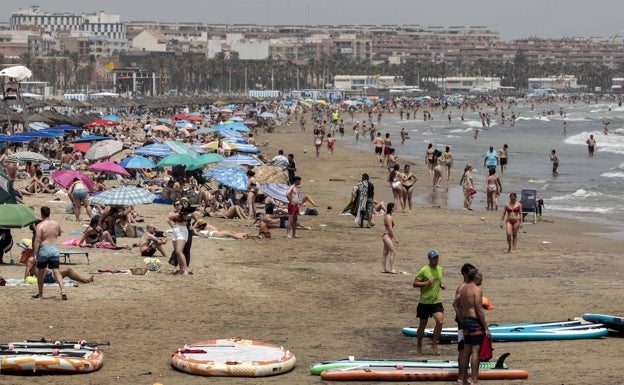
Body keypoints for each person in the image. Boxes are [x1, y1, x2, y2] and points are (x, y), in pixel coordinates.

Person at [454, 269, 491, 385]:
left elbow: (455, 304)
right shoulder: (477, 289)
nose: (482, 280)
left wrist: (461, 318)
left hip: (465, 322)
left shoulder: (463, 288)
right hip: (474, 322)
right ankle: (474, 379)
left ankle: (464, 379)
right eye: (481, 278)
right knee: (475, 351)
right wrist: (485, 327)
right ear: (476, 278)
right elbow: (479, 310)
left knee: (466, 351)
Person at [412, 249, 446, 355]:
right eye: (433, 258)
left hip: (436, 301)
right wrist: (426, 283)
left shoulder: (440, 269)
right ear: (429, 259)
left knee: (440, 321)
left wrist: (441, 285)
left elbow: (438, 279)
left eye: (437, 257)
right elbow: (414, 283)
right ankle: (419, 346)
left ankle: (434, 344)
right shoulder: (424, 270)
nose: (436, 260)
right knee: (423, 324)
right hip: (424, 303)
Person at [32, 206, 66, 300]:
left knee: (41, 272)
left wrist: (35, 253)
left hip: (44, 249)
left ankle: (40, 294)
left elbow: (37, 240)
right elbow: (59, 233)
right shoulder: (56, 224)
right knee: (56, 271)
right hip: (54, 249)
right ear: (49, 213)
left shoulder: (40, 226)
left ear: (42, 214)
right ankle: (63, 290)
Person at [452, 263, 476, 385]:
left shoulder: (471, 286)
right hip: (464, 322)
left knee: (470, 349)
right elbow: (455, 304)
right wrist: (462, 321)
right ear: (465, 274)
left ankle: (466, 375)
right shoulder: (462, 287)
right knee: (463, 349)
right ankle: (461, 376)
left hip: (470, 321)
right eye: (471, 272)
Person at [167, 200, 192, 275]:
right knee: (176, 252)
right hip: (175, 230)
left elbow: (188, 216)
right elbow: (169, 218)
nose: (177, 206)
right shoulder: (174, 212)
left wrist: (179, 212)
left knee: (179, 251)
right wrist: (177, 214)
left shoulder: (185, 212)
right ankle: (181, 269)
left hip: (182, 230)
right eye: (176, 205)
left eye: (179, 204)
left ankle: (185, 269)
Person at [381, 202, 398, 274]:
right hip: (387, 235)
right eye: (394, 207)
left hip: (386, 235)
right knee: (393, 252)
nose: (395, 209)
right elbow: (390, 228)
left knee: (385, 252)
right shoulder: (389, 217)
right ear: (391, 208)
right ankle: (392, 269)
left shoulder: (386, 216)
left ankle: (384, 268)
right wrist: (395, 238)